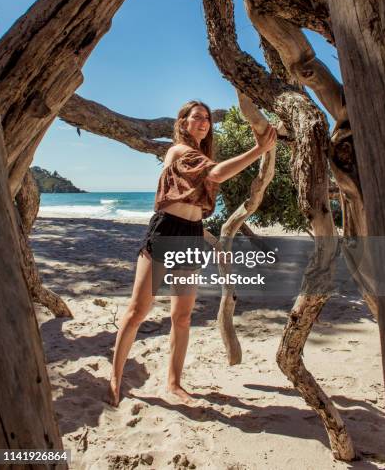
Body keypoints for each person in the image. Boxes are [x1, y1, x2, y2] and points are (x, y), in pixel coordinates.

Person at [106, 100, 276, 406]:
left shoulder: (200, 156)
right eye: (196, 117)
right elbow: (219, 174)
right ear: (183, 122)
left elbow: (203, 193)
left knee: (182, 317)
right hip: (167, 230)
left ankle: (174, 383)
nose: (203, 123)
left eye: (207, 119)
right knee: (137, 312)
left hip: (190, 235)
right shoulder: (179, 152)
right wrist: (259, 150)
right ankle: (116, 377)